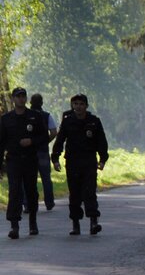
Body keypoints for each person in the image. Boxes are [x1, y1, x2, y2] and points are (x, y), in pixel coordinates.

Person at [51, 93, 109, 235]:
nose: (78, 107)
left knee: (89, 192)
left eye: (81, 104)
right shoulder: (68, 121)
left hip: (89, 161)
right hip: (72, 162)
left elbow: (101, 142)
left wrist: (102, 159)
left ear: (86, 106)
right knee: (75, 194)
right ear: (72, 106)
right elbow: (60, 140)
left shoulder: (94, 121)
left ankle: (94, 221)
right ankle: (75, 224)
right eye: (75, 104)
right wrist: (55, 158)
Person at [0, 87, 47, 238]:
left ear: (26, 99)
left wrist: (32, 141)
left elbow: (44, 136)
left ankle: (32, 221)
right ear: (13, 99)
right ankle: (14, 225)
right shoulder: (6, 119)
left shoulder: (34, 116)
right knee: (14, 191)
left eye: (23, 96)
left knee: (31, 190)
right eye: (18, 96)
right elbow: (1, 142)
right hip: (13, 159)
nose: (21, 99)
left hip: (30, 159)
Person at [21, 93, 57, 212]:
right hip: (42, 150)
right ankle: (49, 202)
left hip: (28, 152)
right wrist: (46, 141)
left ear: (30, 102)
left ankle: (27, 204)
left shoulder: (25, 116)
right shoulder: (46, 116)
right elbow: (53, 132)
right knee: (46, 178)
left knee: (27, 179)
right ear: (42, 103)